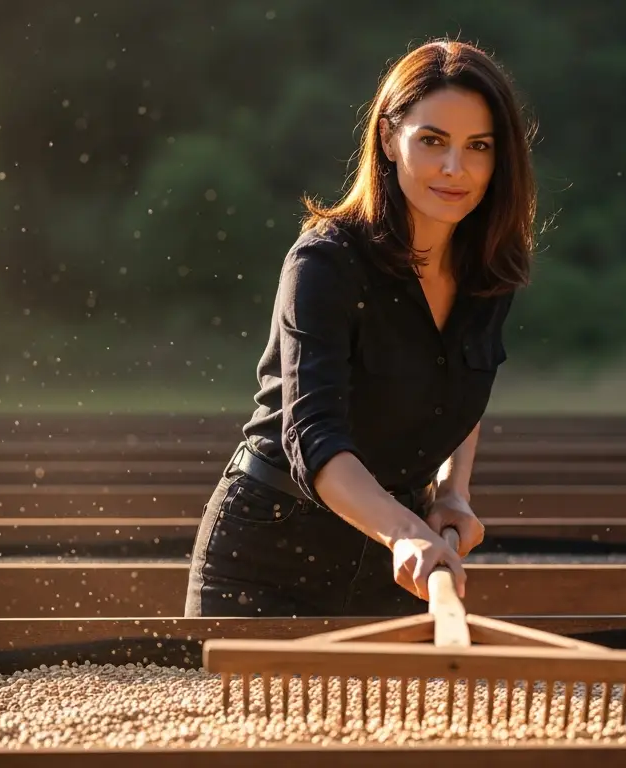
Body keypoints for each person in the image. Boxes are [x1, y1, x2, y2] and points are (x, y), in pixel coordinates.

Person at [183, 38, 536, 618]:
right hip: (269, 553)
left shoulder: (489, 270)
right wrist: (405, 531)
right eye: (433, 141)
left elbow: (460, 391)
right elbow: (314, 438)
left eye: (478, 147)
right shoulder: (325, 262)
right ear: (389, 141)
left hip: (394, 564)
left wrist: (450, 493)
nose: (455, 168)